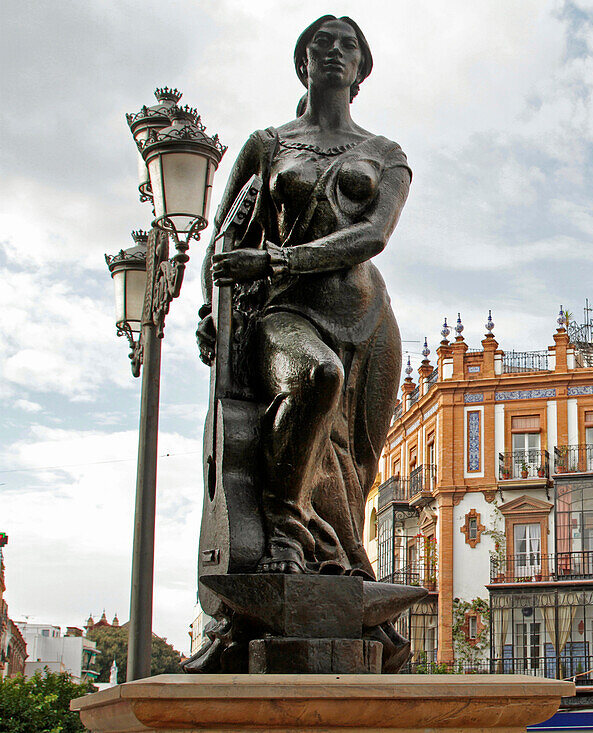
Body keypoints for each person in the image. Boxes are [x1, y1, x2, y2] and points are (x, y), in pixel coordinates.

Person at [196, 14, 410, 578]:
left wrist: (275, 256)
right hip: (286, 309)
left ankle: (338, 563)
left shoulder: (386, 153)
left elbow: (373, 236)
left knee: (356, 470)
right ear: (303, 62)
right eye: (322, 43)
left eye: (349, 45)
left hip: (368, 321)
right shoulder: (268, 145)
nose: (336, 51)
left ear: (361, 68)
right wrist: (208, 308)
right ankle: (286, 535)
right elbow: (222, 239)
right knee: (317, 378)